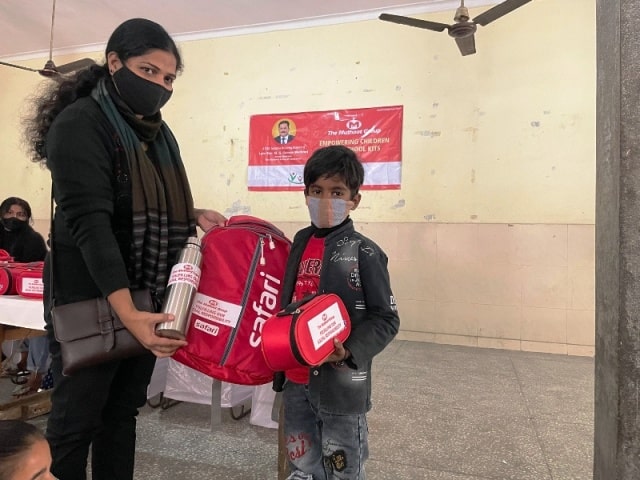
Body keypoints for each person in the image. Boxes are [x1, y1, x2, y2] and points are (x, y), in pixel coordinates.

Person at [22, 18, 226, 480]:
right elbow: (92, 225)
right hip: (90, 295)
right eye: (148, 70)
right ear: (114, 63)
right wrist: (128, 314)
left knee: (121, 413)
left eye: (168, 77)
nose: (159, 85)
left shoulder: (154, 133)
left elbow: (138, 195)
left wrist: (190, 213)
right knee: (76, 421)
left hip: (143, 293)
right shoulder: (79, 124)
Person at [278, 145, 400, 479]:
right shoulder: (299, 244)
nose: (325, 200)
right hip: (295, 380)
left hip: (341, 387)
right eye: (317, 191)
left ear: (354, 200)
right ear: (305, 195)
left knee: (342, 466)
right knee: (302, 462)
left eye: (337, 192)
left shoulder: (366, 253)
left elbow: (386, 319)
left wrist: (348, 352)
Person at [0, 197, 49, 397]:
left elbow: (41, 272)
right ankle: (17, 362)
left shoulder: (34, 240)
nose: (14, 218)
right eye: (9, 213)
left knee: (40, 324)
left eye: (21, 214)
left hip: (28, 295)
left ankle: (37, 374)